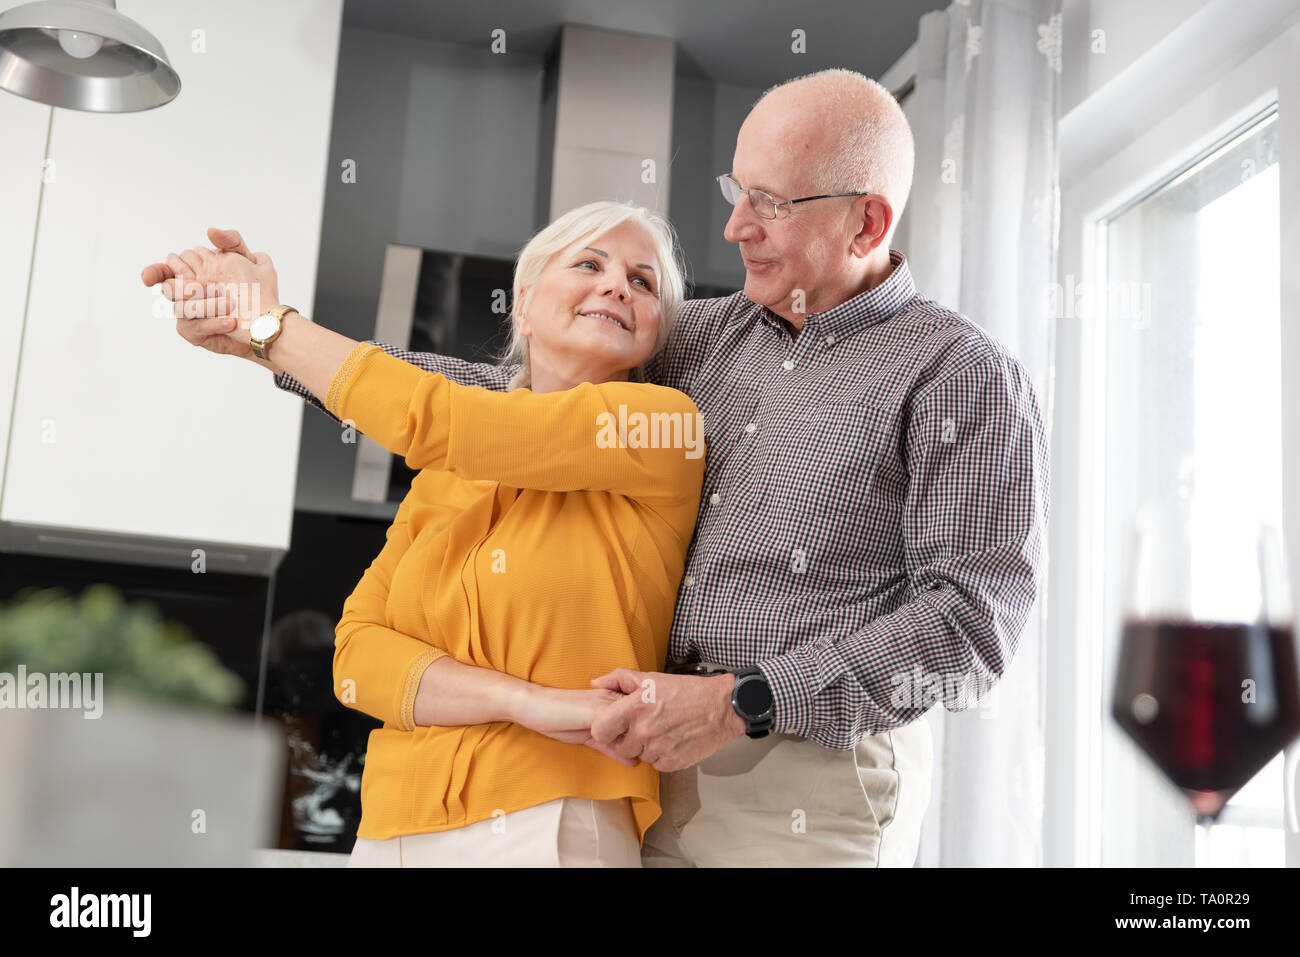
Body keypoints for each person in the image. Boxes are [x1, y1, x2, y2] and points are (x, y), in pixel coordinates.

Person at [156, 67, 1050, 867]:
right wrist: (266, 345)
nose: (736, 226)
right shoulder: (709, 335)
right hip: (646, 751)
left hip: (806, 777)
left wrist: (740, 700)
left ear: (868, 220)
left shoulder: (957, 373)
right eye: (736, 190)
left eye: (771, 202)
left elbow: (971, 630)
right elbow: (501, 408)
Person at [142, 201, 706, 866]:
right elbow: (356, 657)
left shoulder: (663, 428)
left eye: (643, 282)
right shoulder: (448, 477)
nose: (617, 285)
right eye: (590, 263)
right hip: (392, 827)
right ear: (523, 306)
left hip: (553, 819)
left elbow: (436, 418)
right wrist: (529, 702)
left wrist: (264, 323)